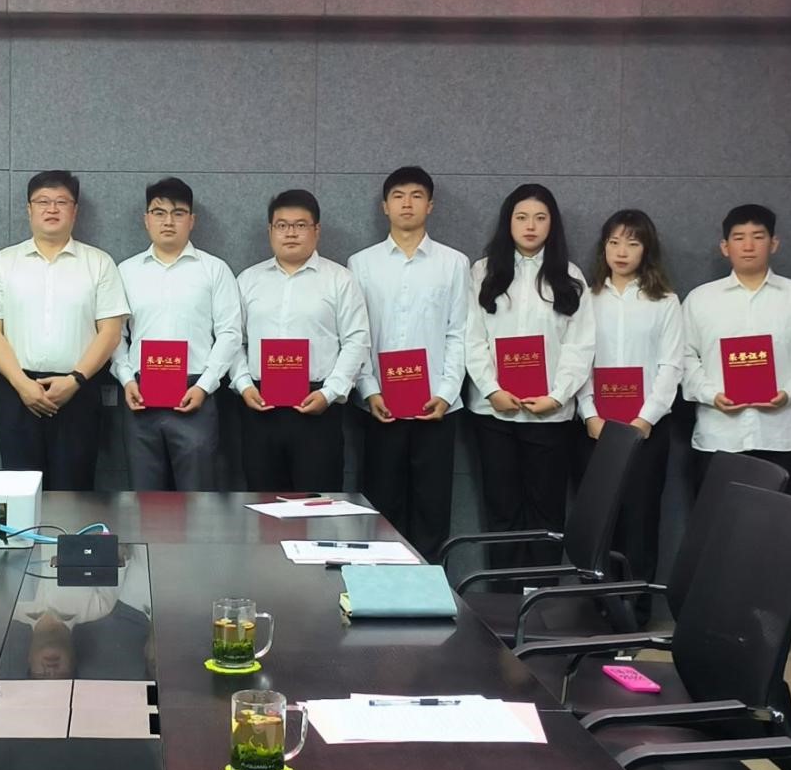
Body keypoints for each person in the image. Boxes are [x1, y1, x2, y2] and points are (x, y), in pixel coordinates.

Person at [465, 184, 594, 569]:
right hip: (494, 413)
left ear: (552, 224)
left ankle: (541, 596)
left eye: (540, 218)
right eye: (521, 217)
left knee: (547, 513)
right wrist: (491, 390)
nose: (531, 226)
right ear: (508, 223)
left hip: (549, 415)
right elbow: (472, 337)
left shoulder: (570, 276)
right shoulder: (483, 272)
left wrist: (558, 396)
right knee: (501, 509)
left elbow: (580, 346)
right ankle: (502, 595)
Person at [0, 170, 129, 491]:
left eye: (62, 201)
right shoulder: (3, 263)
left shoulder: (99, 263)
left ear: (75, 210)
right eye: (43, 201)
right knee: (19, 491)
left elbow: (111, 332)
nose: (52, 209)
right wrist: (22, 384)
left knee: (74, 492)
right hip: (18, 393)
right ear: (29, 209)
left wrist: (75, 380)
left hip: (79, 392)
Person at [347, 166, 469, 561]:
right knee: (382, 506)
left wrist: (446, 393)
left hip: (436, 407)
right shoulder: (361, 264)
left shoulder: (454, 263)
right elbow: (357, 335)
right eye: (398, 196)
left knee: (432, 508)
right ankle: (381, 586)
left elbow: (459, 333)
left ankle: (429, 587)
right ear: (385, 206)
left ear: (430, 206)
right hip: (380, 406)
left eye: (416, 196)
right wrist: (369, 390)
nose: (407, 204)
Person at [682, 204, 791, 497]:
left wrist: (790, 392)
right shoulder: (700, 300)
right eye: (739, 237)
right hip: (718, 437)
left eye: (758, 236)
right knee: (717, 522)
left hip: (780, 438)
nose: (749, 246)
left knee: (777, 523)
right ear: (725, 247)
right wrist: (710, 394)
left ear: (773, 243)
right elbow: (683, 356)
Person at [577, 210, 682, 615]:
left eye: (633, 243)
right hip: (594, 428)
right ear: (603, 247)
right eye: (614, 242)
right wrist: (589, 414)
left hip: (647, 430)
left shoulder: (665, 301)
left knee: (640, 520)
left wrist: (645, 419)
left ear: (646, 250)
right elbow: (577, 361)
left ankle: (635, 611)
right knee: (599, 521)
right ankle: (597, 608)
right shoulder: (586, 298)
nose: (622, 252)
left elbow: (671, 366)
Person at [232, 188, 369, 492]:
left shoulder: (340, 279)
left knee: (316, 502)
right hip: (260, 405)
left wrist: (330, 393)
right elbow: (234, 340)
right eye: (282, 225)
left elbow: (356, 341)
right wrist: (243, 385)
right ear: (270, 230)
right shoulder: (247, 280)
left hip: (318, 407)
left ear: (316, 230)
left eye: (300, 225)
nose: (290, 233)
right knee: (263, 501)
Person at [111, 177, 242, 490]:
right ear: (146, 219)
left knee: (197, 497)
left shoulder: (215, 270)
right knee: (145, 498)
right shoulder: (125, 271)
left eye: (178, 213)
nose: (168, 221)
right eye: (159, 213)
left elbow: (229, 333)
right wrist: (126, 379)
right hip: (140, 395)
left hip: (195, 393)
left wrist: (205, 386)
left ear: (191, 220)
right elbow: (114, 335)